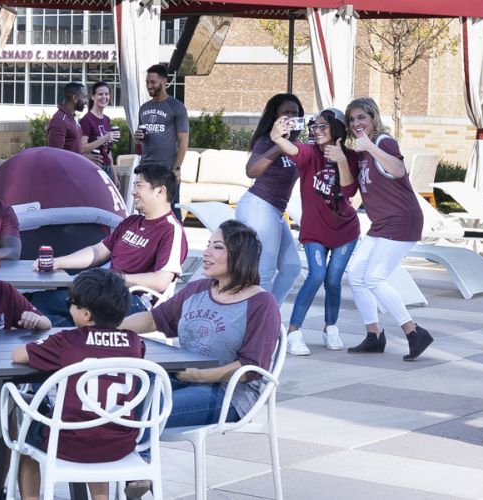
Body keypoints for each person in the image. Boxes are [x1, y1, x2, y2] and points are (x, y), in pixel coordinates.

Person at [119, 221, 281, 428]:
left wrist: (202, 376)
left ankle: (141, 458)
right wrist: (108, 328)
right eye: (208, 245)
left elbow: (252, 367)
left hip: (229, 392)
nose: (206, 252)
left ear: (240, 256)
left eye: (218, 247)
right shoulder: (197, 290)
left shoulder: (261, 303)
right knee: (123, 392)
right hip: (185, 375)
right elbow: (154, 319)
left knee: (150, 408)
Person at [9, 269, 144, 500]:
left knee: (24, 429)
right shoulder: (135, 343)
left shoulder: (67, 341)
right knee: (98, 424)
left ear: (85, 314)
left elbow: (18, 355)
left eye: (71, 303)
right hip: (120, 443)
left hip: (69, 443)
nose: (68, 308)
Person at [341, 97, 436, 361]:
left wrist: (371, 147)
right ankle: (374, 335)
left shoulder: (383, 142)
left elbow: (398, 169)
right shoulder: (361, 151)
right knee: (356, 275)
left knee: (374, 278)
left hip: (401, 219)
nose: (357, 123)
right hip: (381, 222)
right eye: (352, 119)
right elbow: (358, 190)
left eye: (362, 117)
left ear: (373, 118)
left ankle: (413, 332)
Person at [39, 164, 186, 322]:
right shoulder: (131, 222)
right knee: (37, 301)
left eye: (139, 186)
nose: (133, 191)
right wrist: (59, 262)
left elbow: (160, 281)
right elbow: (97, 252)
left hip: (134, 302)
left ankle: (68, 338)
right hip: (105, 292)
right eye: (134, 185)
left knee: (63, 318)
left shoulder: (171, 230)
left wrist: (115, 279)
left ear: (160, 191)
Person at [271, 109, 360, 354]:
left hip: (345, 231)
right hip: (315, 232)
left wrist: (341, 159)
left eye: (323, 126)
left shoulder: (351, 157)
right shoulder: (311, 153)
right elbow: (293, 149)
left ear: (337, 129)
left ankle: (331, 328)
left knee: (333, 280)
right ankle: (294, 332)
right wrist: (278, 137)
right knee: (317, 274)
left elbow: (349, 191)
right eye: (315, 126)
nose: (317, 130)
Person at [238, 93, 308, 314]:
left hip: (275, 211)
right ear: (274, 116)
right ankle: (258, 326)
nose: (289, 117)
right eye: (284, 112)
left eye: (294, 114)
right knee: (264, 272)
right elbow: (251, 171)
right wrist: (278, 144)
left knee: (291, 267)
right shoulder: (266, 141)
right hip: (258, 206)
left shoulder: (296, 146)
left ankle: (270, 316)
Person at [134, 63, 190, 211]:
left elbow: (183, 139)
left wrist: (177, 168)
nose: (149, 86)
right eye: (147, 82)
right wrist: (137, 138)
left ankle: (175, 235)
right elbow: (140, 142)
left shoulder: (176, 107)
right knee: (145, 210)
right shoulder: (144, 108)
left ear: (164, 81)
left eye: (153, 82)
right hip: (146, 168)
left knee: (170, 211)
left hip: (167, 169)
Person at [79, 80, 116, 167]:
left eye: (106, 94)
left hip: (107, 169)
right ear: (92, 96)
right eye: (100, 94)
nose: (104, 97)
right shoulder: (86, 120)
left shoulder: (107, 119)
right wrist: (104, 139)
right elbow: (82, 148)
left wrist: (114, 176)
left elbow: (108, 151)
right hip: (93, 168)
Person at [46, 81, 87, 154]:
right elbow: (56, 156)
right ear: (75, 98)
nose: (86, 101)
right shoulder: (59, 120)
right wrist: (84, 158)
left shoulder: (72, 118)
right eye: (84, 97)